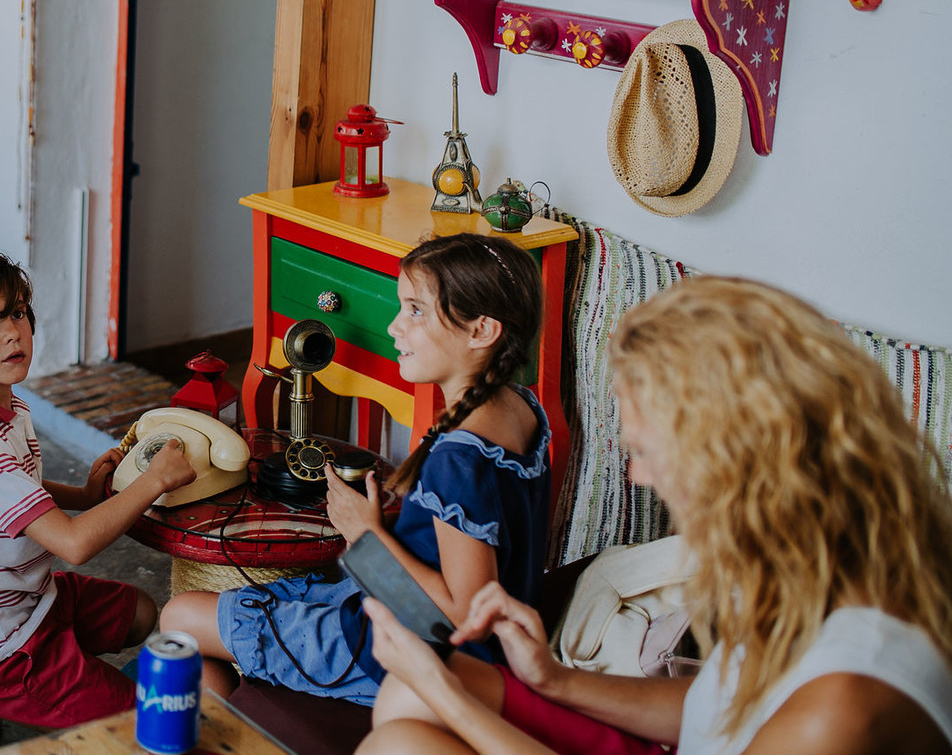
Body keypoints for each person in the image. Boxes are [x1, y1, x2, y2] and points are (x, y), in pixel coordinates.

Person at [357, 276, 952, 755]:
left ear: (730, 461)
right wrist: (552, 679)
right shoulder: (811, 557)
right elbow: (718, 706)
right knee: (409, 703)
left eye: (640, 450)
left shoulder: (840, 713)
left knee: (409, 728)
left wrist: (449, 693)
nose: (637, 476)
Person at [160, 233, 552, 703]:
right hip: (418, 624)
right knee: (211, 647)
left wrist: (368, 536)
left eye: (416, 310)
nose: (393, 327)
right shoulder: (522, 407)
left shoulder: (460, 458)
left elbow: (467, 614)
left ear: (482, 331)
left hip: (407, 650)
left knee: (180, 617)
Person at [0, 250, 197, 753]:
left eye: (16, 312)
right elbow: (74, 544)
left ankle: (12, 696)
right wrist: (154, 482)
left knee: (144, 614)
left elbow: (15, 488)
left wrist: (82, 494)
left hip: (27, 600)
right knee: (144, 724)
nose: (13, 332)